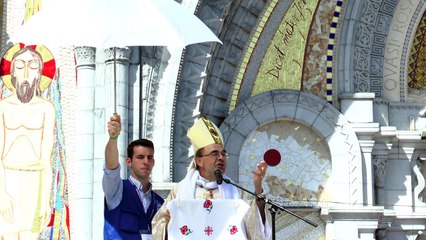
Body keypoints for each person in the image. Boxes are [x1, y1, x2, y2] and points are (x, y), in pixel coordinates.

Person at [151, 116, 271, 239]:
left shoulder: (236, 191)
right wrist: (167, 225)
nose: (221, 157)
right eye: (215, 153)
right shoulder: (180, 191)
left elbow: (254, 227)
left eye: (223, 154)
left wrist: (258, 187)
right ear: (199, 161)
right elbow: (157, 228)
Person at [0, 47, 55, 240]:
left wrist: (45, 201)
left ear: (39, 74)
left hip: (35, 181)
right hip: (8, 179)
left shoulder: (46, 108)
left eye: (32, 67)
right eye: (20, 66)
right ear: (12, 72)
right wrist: (2, 193)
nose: (25, 73)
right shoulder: (3, 107)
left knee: (31, 236)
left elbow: (46, 159)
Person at [103, 113, 165, 240]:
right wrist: (113, 138)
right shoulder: (117, 190)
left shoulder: (160, 203)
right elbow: (111, 168)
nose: (146, 161)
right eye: (140, 157)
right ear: (129, 162)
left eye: (150, 157)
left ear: (154, 162)